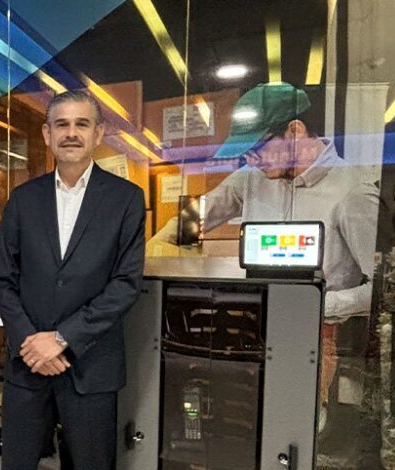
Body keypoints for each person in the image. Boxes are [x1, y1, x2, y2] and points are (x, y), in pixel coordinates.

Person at [155, 82, 382, 430]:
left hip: (316, 340)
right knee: (242, 427)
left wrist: (318, 303)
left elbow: (382, 290)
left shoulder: (352, 192)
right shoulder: (250, 179)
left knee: (297, 429)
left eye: (257, 149)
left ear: (295, 130)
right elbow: (188, 223)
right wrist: (150, 257)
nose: (250, 160)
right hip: (251, 334)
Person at [0, 90, 146, 470]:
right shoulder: (22, 199)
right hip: (28, 364)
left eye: (82, 124)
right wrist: (32, 343)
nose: (71, 133)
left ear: (98, 133)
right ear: (47, 134)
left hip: (92, 366)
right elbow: (3, 280)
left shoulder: (126, 199)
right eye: (61, 124)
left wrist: (61, 339)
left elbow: (125, 284)